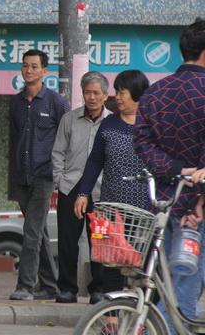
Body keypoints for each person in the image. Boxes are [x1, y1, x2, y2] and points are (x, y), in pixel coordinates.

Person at [134, 19, 205, 326]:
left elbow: (142, 143)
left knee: (170, 281)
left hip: (162, 202)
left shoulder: (155, 93)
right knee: (187, 284)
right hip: (197, 208)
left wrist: (176, 169)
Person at [74, 70, 150, 294]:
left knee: (142, 264)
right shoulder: (108, 124)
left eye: (122, 92)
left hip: (144, 209)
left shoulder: (151, 126)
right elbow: (95, 161)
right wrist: (83, 193)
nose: (117, 97)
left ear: (136, 93)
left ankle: (139, 314)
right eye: (116, 92)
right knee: (110, 259)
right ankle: (112, 317)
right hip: (111, 208)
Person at [9, 49, 69, 301]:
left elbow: (67, 139)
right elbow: (13, 141)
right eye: (25, 66)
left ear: (44, 71)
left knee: (31, 231)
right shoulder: (16, 102)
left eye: (34, 66)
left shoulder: (56, 102)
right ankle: (50, 286)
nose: (28, 70)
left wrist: (61, 174)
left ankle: (25, 286)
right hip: (21, 177)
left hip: (45, 176)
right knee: (39, 232)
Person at [51, 71, 111, 304]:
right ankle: (67, 289)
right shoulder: (69, 119)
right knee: (67, 241)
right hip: (71, 188)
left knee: (99, 240)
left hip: (100, 191)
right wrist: (60, 181)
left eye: (96, 93)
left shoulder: (112, 122)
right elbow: (57, 153)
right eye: (88, 92)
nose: (92, 97)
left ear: (106, 95)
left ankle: (98, 288)